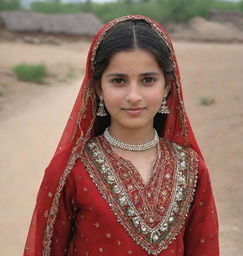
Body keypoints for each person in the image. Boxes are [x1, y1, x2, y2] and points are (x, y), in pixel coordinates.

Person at [24, 15, 219, 256]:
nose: (134, 95)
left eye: (148, 80)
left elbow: (204, 248)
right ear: (98, 87)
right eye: (119, 81)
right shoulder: (70, 170)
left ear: (168, 86)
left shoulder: (191, 168)